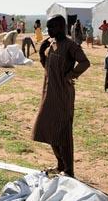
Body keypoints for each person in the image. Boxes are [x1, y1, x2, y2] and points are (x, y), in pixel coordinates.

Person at [31, 15, 90, 178]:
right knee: (48, 127)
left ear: (61, 27)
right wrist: (42, 52)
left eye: (51, 27)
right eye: (47, 27)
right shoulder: (51, 44)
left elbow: (85, 62)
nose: (48, 31)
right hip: (49, 93)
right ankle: (60, 164)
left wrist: (70, 75)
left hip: (63, 94)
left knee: (63, 131)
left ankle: (69, 170)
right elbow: (47, 67)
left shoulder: (70, 45)